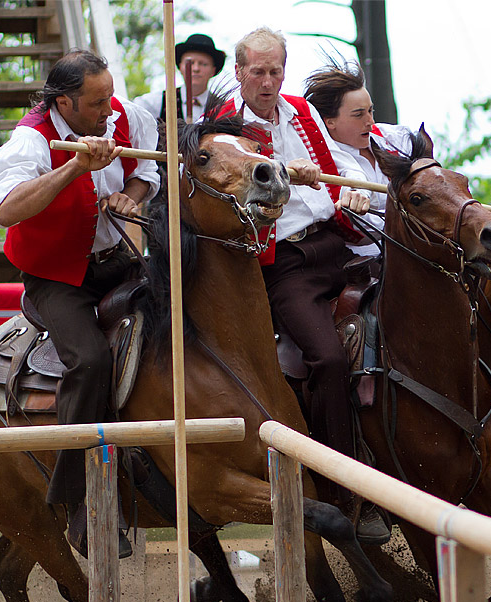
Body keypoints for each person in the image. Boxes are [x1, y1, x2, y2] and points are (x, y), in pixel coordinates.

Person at [216, 28, 388, 543]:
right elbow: (236, 203)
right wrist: (283, 174)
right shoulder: (225, 128)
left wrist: (346, 198)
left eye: (275, 71)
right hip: (283, 262)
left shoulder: (301, 111)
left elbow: (333, 175)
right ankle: (344, 490)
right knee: (330, 360)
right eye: (257, 72)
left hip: (338, 243)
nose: (268, 82)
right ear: (239, 71)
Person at [0, 50, 160, 559]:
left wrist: (130, 195)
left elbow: (146, 172)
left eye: (110, 95)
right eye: (96, 102)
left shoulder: (124, 115)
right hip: (56, 278)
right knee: (89, 360)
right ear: (63, 101)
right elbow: (6, 210)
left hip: (118, 260)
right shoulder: (29, 139)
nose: (109, 109)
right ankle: (77, 504)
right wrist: (73, 170)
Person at [303, 61, 415, 257]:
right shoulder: (317, 163)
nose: (370, 122)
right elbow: (356, 230)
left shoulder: (397, 139)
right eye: (359, 115)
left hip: (414, 250)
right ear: (329, 122)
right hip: (356, 261)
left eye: (371, 111)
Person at [135, 33, 226, 123]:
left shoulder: (223, 108)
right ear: (180, 66)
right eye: (190, 63)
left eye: (203, 64)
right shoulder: (157, 102)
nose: (196, 69)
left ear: (213, 70)